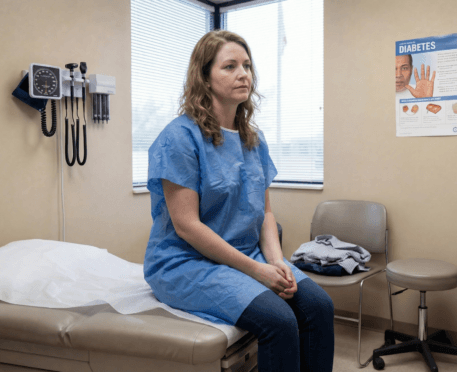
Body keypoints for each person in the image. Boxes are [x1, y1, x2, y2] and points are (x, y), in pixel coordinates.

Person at [143, 30, 335, 372]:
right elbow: (187, 227)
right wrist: (257, 271)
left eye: (246, 66)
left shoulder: (252, 139)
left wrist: (277, 263)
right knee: (279, 320)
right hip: (187, 263)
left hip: (248, 254)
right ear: (203, 77)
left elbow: (264, 213)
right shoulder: (180, 139)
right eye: (229, 66)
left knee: (318, 306)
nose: (243, 74)